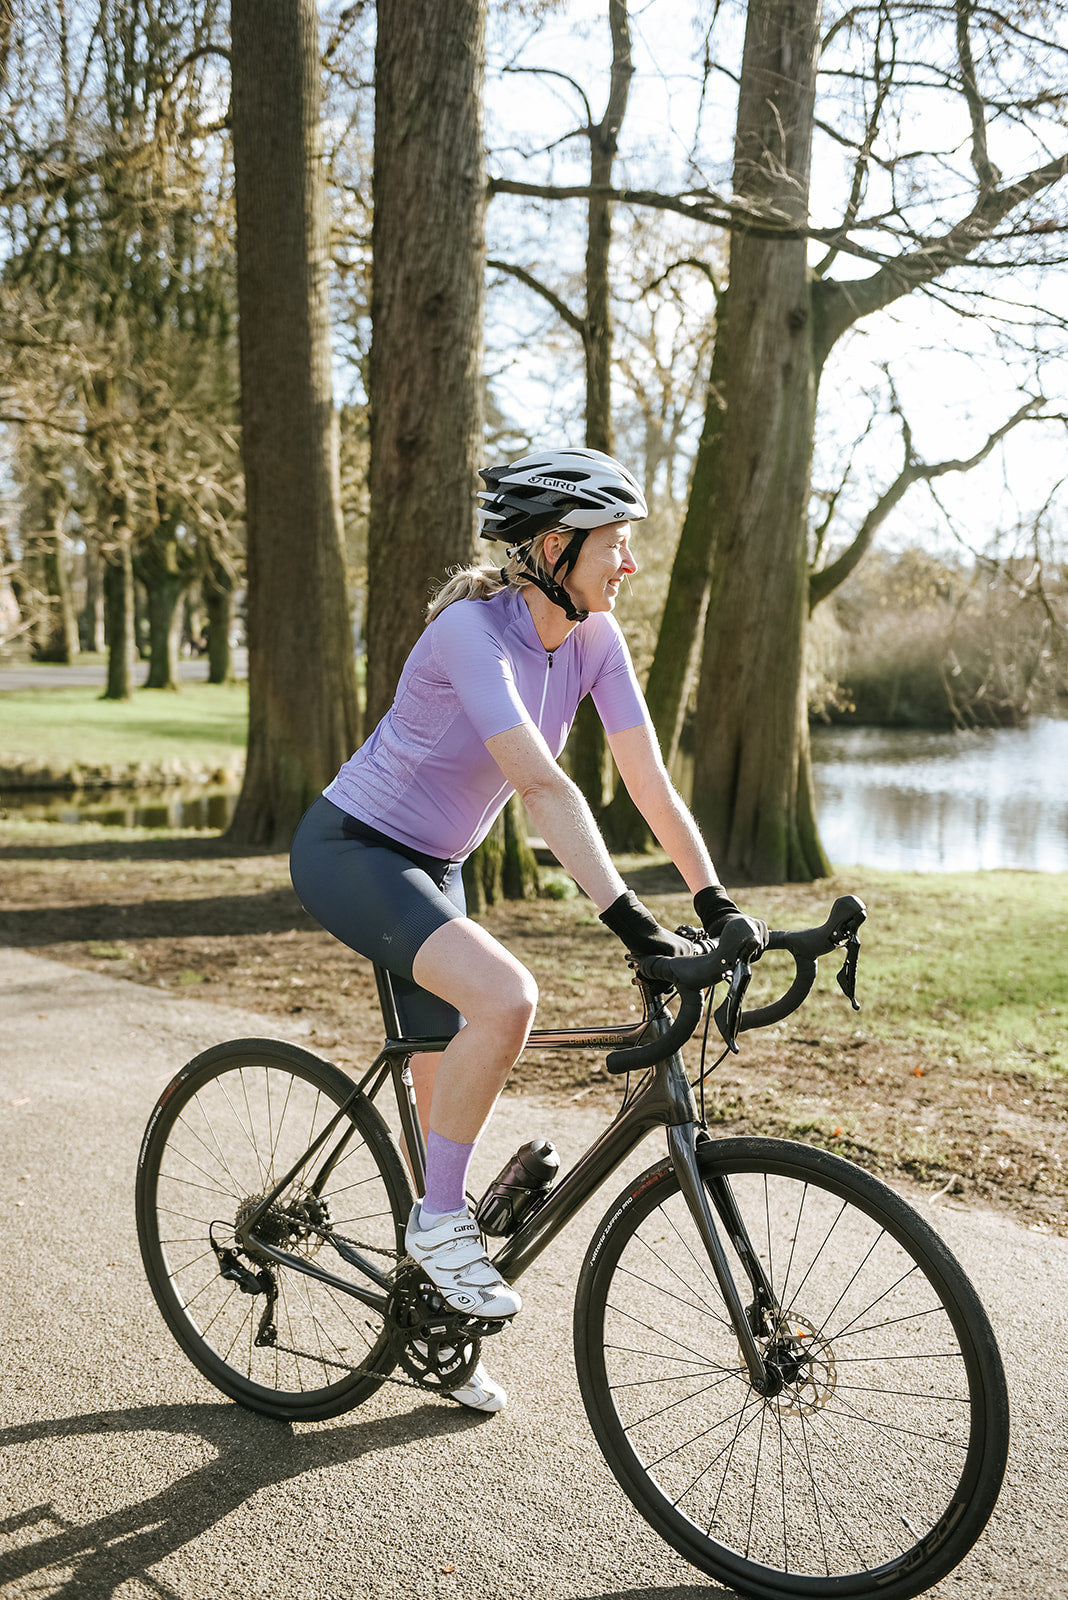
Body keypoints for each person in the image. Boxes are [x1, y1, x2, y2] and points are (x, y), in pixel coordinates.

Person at [289, 446, 766, 1413]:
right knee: (508, 997)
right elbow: (540, 783)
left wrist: (714, 900)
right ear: (554, 546)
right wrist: (633, 923)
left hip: (438, 868)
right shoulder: (472, 632)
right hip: (353, 851)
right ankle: (435, 1230)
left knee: (447, 1112)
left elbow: (647, 782)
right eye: (614, 546)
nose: (628, 564)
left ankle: (433, 1321)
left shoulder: (592, 639)